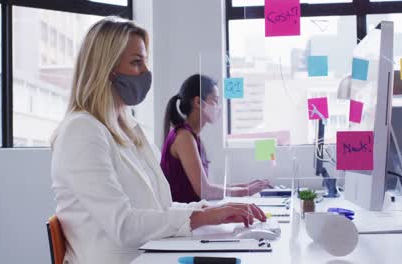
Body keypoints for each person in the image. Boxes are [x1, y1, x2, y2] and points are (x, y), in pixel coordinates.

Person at [50, 17, 266, 264]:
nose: (146, 72)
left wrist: (212, 211)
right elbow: (123, 225)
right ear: (106, 70)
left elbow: (161, 207)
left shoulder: (128, 128)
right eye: (136, 62)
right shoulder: (81, 131)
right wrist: (204, 217)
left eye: (145, 62)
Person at [161, 74, 271, 203]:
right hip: (184, 218)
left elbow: (207, 187)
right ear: (198, 102)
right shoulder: (184, 137)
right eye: (215, 100)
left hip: (192, 212)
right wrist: (245, 192)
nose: (218, 106)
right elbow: (205, 191)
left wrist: (245, 186)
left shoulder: (192, 136)